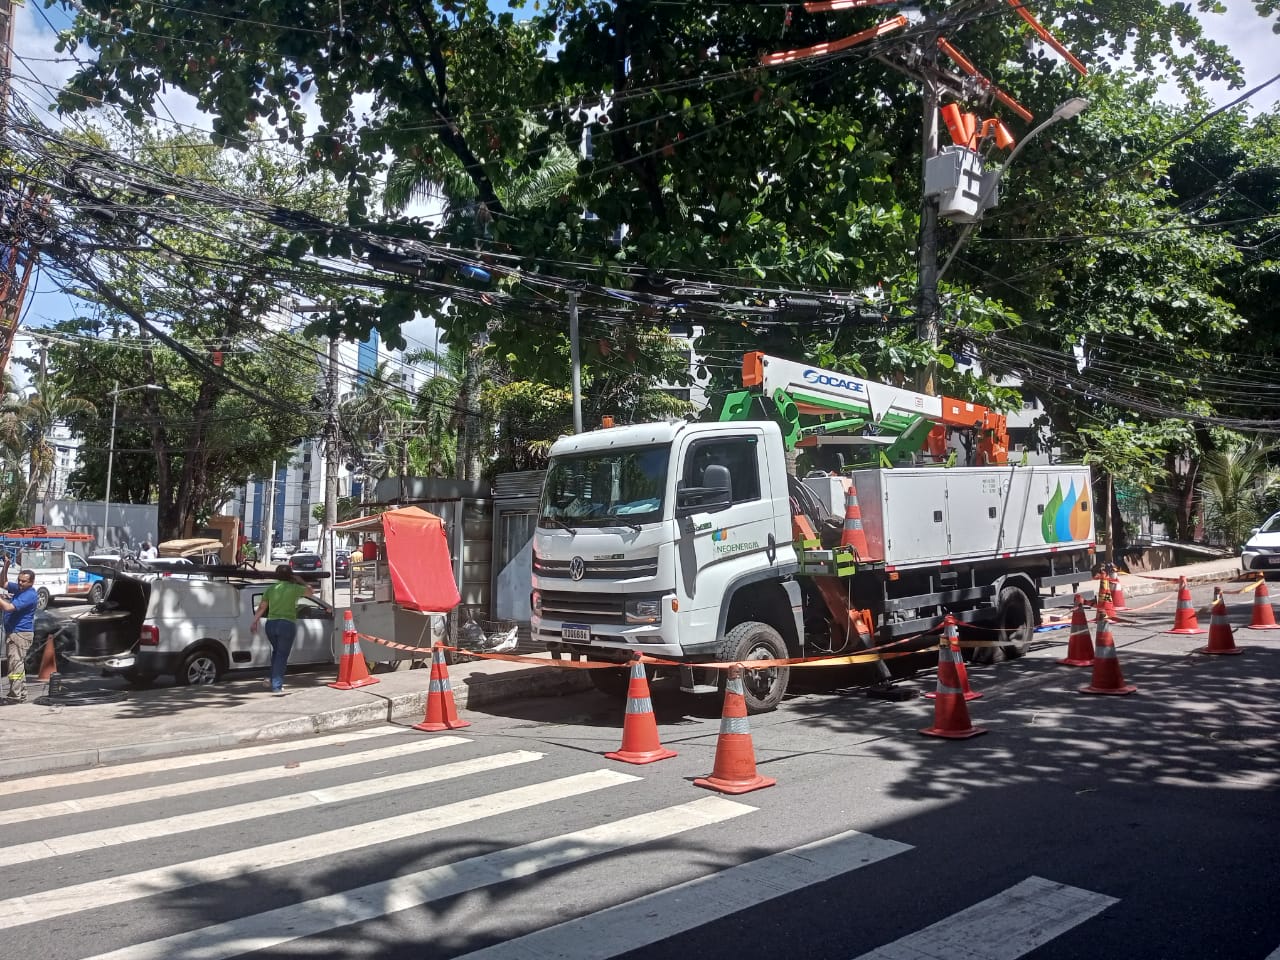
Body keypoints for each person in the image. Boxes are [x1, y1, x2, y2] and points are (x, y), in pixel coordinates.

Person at [249, 564, 313, 695]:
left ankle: (271, 678)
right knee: (282, 655)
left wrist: (255, 621)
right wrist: (300, 580)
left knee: (277, 653)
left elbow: (262, 607)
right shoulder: (294, 588)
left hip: (271, 624)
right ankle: (277, 686)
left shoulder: (271, 588)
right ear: (290, 575)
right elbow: (310, 592)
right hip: (286, 624)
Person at [0, 558, 39, 704]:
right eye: (19, 580)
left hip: (20, 634)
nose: (20, 583)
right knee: (17, 665)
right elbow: (3, 583)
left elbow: (9, 608)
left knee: (14, 666)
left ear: (31, 582)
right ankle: (21, 695)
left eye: (24, 581)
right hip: (14, 632)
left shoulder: (29, 594)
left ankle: (15, 696)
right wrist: (6, 567)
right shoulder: (20, 589)